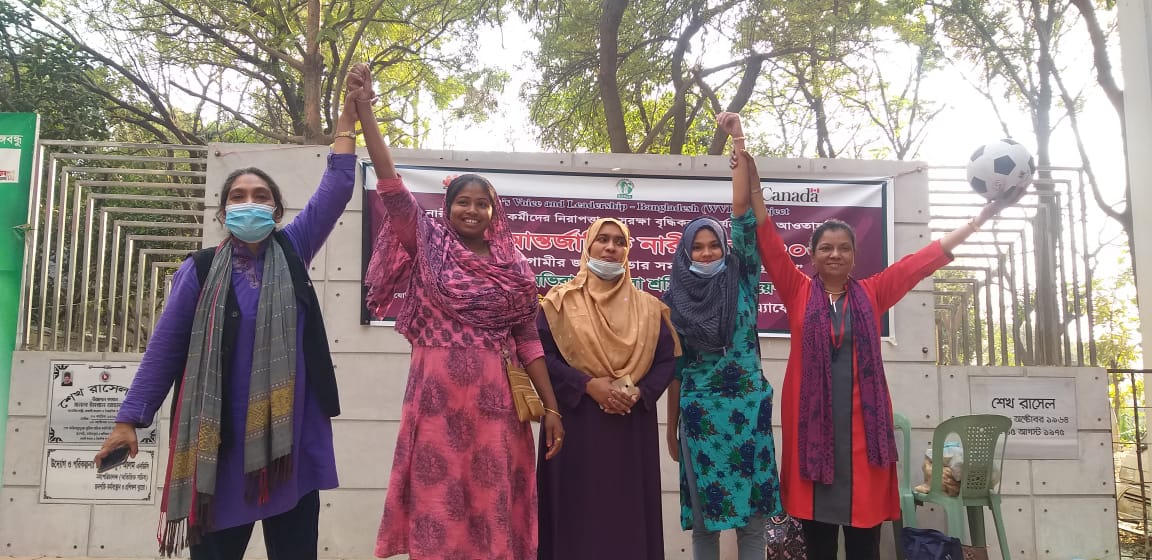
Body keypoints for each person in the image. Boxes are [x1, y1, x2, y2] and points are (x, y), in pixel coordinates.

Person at [93, 64, 372, 559]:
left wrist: (348, 119)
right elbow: (165, 349)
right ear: (223, 213)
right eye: (238, 197)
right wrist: (129, 419)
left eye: (261, 197)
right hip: (218, 448)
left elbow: (335, 189)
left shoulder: (293, 250)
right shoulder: (199, 270)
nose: (250, 204)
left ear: (277, 212)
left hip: (290, 444)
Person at [724, 109, 1025, 560]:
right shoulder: (797, 291)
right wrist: (742, 147)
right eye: (826, 248)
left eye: (844, 248)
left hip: (863, 441)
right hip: (812, 440)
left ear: (854, 255)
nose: (835, 254)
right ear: (812, 256)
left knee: (864, 543)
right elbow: (765, 232)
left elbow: (923, 260)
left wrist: (979, 220)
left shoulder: (872, 293)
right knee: (819, 544)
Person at [362, 78, 563, 560]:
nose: (472, 210)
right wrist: (366, 112)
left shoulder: (514, 268)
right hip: (436, 398)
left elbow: (528, 341)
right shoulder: (427, 244)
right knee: (438, 506)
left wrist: (552, 408)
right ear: (448, 207)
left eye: (481, 203)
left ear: (494, 210)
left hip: (498, 404)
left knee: (491, 510)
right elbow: (391, 187)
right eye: (463, 202)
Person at [663, 117, 783, 560]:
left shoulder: (742, 276)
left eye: (713, 244)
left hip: (749, 410)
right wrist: (670, 429)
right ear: (686, 252)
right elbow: (676, 370)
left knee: (752, 523)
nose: (708, 252)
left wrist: (738, 139)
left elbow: (742, 212)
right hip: (700, 416)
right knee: (705, 524)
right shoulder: (673, 300)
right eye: (698, 246)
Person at [535, 217, 681, 560]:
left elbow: (667, 361)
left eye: (619, 241)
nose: (611, 247)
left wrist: (641, 393)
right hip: (575, 425)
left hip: (630, 426)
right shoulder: (559, 302)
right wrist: (586, 384)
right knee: (575, 515)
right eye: (602, 239)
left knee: (626, 518)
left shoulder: (649, 309)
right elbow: (541, 356)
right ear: (588, 246)